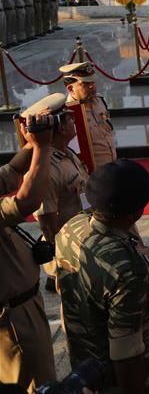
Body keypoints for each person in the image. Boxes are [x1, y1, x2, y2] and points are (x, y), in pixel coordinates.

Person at [55, 160, 149, 394]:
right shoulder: (127, 270)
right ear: (137, 211)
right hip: (128, 378)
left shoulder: (72, 227)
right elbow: (126, 353)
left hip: (86, 367)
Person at [61, 62, 149, 266]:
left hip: (109, 170)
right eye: (86, 84)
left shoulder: (98, 102)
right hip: (90, 178)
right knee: (82, 222)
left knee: (123, 212)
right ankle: (61, 262)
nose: (93, 87)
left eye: (93, 83)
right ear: (71, 88)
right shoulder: (69, 114)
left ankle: (140, 251)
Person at [0, 113, 55, 391]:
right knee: (37, 384)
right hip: (13, 321)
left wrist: (32, 141)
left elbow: (10, 172)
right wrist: (43, 147)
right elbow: (27, 201)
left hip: (24, 306)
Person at [27, 94, 89, 294]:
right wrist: (60, 255)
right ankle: (55, 276)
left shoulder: (67, 153)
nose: (74, 120)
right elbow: (47, 221)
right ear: (61, 128)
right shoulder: (48, 170)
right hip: (68, 250)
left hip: (81, 238)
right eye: (70, 118)